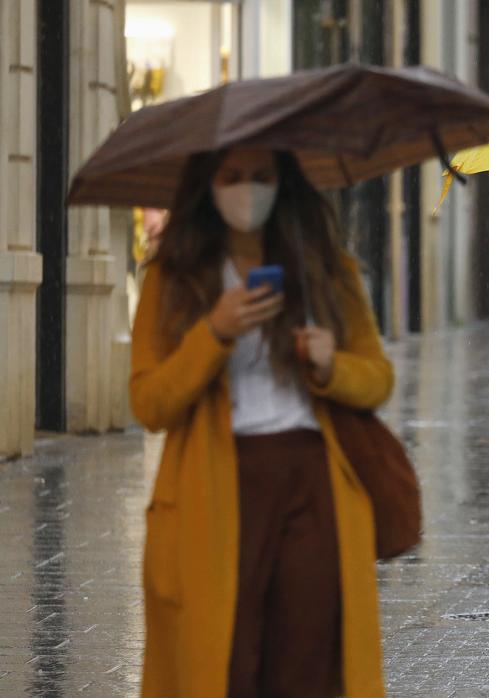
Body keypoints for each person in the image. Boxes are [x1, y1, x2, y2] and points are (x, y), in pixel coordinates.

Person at [130, 147, 392, 696]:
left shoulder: (324, 266)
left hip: (313, 483)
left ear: (284, 182)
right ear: (207, 185)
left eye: (261, 177)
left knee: (308, 657)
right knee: (227, 660)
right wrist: (214, 333)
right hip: (213, 486)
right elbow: (150, 404)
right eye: (231, 177)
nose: (247, 190)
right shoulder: (173, 276)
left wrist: (330, 365)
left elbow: (377, 380)